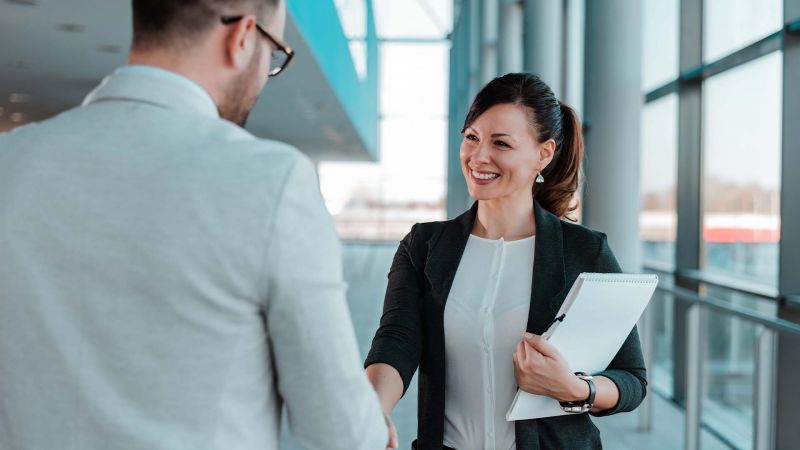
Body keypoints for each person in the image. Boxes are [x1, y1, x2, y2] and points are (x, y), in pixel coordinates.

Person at [0, 1, 391, 449]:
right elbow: (341, 432)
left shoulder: (10, 162)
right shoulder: (270, 182)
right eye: (273, 54)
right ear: (242, 38)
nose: (266, 72)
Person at [365, 73, 647, 450]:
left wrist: (576, 388)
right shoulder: (425, 245)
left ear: (543, 154)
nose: (479, 156)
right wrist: (373, 412)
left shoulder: (584, 251)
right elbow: (395, 342)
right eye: (472, 138)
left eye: (501, 143)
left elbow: (631, 379)